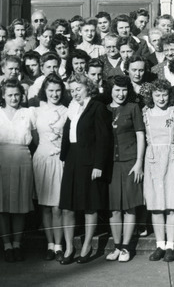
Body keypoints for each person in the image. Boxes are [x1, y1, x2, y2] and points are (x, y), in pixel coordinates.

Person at [59, 74, 112, 264]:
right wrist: (64, 157)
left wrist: (98, 165)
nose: (75, 94)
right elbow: (68, 135)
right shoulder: (72, 108)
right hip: (72, 160)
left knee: (90, 205)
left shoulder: (97, 107)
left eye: (78, 89)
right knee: (67, 207)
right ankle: (69, 248)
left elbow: (103, 139)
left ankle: (87, 245)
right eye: (72, 90)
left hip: (89, 162)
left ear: (88, 88)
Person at [0, 79, 36, 262]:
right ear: (3, 96)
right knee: (2, 205)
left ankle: (17, 244)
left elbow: (36, 138)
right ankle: (6, 245)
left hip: (23, 159)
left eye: (17, 94)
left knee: (20, 205)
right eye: (10, 95)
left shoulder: (28, 113)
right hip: (0, 159)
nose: (14, 98)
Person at [141, 79, 174, 262]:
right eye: (157, 95)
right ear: (151, 96)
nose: (161, 98)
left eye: (164, 94)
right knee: (156, 207)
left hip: (171, 158)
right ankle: (160, 245)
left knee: (172, 206)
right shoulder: (145, 113)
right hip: (152, 160)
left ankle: (171, 247)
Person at [105, 75, 145, 263]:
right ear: (110, 91)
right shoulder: (104, 110)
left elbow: (140, 136)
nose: (121, 94)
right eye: (117, 90)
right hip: (111, 164)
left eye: (124, 90)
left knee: (129, 207)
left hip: (130, 162)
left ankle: (126, 248)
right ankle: (117, 246)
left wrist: (139, 162)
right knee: (114, 208)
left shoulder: (133, 108)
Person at [32, 73, 68, 262]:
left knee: (57, 207)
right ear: (44, 91)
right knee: (45, 206)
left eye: (58, 90)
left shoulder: (67, 110)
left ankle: (59, 246)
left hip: (60, 161)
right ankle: (50, 245)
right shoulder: (36, 111)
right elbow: (35, 137)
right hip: (43, 159)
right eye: (51, 90)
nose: (54, 94)